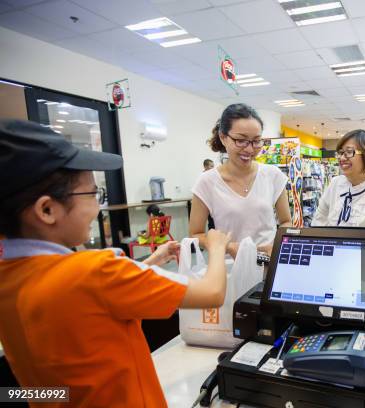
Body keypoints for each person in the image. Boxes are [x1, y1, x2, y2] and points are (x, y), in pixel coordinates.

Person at [0, 119, 231, 407]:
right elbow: (212, 293)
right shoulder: (98, 271)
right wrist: (218, 245)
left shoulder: (10, 278)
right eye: (93, 194)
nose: (98, 206)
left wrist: (154, 260)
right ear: (47, 210)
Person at [190, 104, 292, 257]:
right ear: (223, 137)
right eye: (241, 140)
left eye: (256, 141)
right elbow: (195, 234)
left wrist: (278, 245)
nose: (250, 149)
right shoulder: (207, 182)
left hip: (269, 266)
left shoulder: (272, 175)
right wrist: (228, 247)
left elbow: (286, 222)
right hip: (228, 267)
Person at [312, 129, 365, 228]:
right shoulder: (335, 183)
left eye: (349, 152)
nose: (342, 158)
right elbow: (318, 222)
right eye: (341, 152)